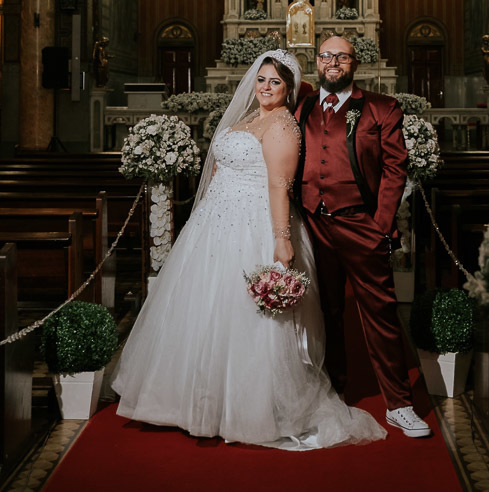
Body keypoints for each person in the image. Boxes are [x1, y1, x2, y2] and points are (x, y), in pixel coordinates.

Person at [112, 50, 385, 449]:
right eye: (261, 80)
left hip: (254, 225)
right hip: (214, 224)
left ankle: (250, 407)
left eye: (275, 82)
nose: (266, 88)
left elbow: (279, 186)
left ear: (289, 89)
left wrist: (281, 238)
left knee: (248, 319)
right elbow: (223, 165)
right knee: (203, 309)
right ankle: (193, 400)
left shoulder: (282, 127)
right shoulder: (247, 119)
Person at [294, 36, 432, 439]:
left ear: (354, 63)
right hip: (313, 224)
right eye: (326, 56)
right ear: (316, 62)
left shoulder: (381, 108)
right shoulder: (301, 106)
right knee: (326, 314)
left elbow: (395, 168)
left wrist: (381, 224)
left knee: (381, 314)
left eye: (341, 56)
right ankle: (335, 392)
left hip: (361, 223)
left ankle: (399, 404)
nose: (332, 63)